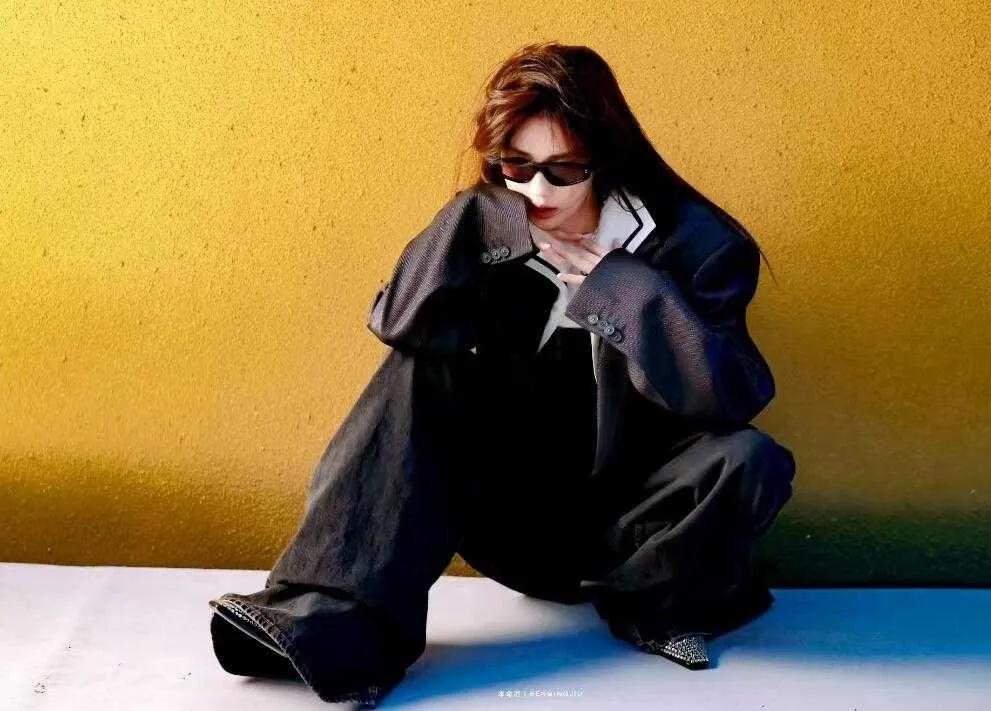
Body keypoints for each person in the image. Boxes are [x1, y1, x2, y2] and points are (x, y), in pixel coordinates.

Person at [207, 41, 797, 707]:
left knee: (752, 459)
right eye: (517, 166)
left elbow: (731, 397)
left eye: (564, 170)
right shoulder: (492, 228)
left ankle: (660, 610)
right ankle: (335, 625)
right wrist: (470, 217)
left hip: (639, 530)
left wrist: (629, 291)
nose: (538, 193)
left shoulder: (699, 244)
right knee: (420, 366)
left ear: (606, 156)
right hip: (513, 523)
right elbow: (398, 323)